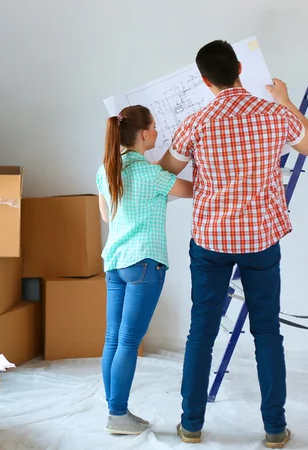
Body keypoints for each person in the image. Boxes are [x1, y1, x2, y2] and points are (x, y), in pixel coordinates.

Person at [159, 40, 308, 448]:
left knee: (201, 333)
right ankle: (274, 430)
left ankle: (191, 425)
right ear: (239, 68)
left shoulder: (196, 122)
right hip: (261, 240)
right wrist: (285, 100)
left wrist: (207, 189)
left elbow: (165, 174)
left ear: (203, 79)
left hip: (210, 239)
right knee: (267, 333)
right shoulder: (272, 114)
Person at [97, 105, 193, 435]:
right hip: (144, 264)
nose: (157, 132)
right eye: (155, 127)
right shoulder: (151, 174)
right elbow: (194, 191)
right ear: (143, 134)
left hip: (115, 263)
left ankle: (115, 411)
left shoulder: (105, 170)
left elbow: (109, 216)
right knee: (128, 341)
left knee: (114, 339)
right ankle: (118, 415)